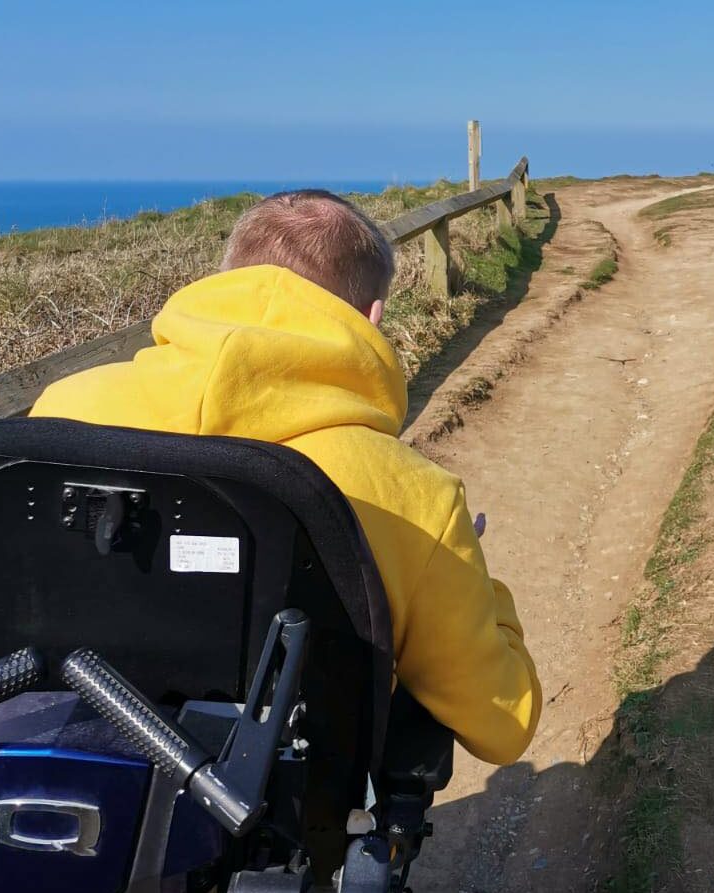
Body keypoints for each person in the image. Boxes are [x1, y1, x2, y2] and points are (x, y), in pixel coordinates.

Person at [29, 189, 541, 765]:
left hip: (48, 771)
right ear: (373, 318)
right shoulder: (415, 494)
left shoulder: (60, 410)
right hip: (281, 823)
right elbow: (504, 724)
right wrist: (471, 571)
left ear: (222, 284)